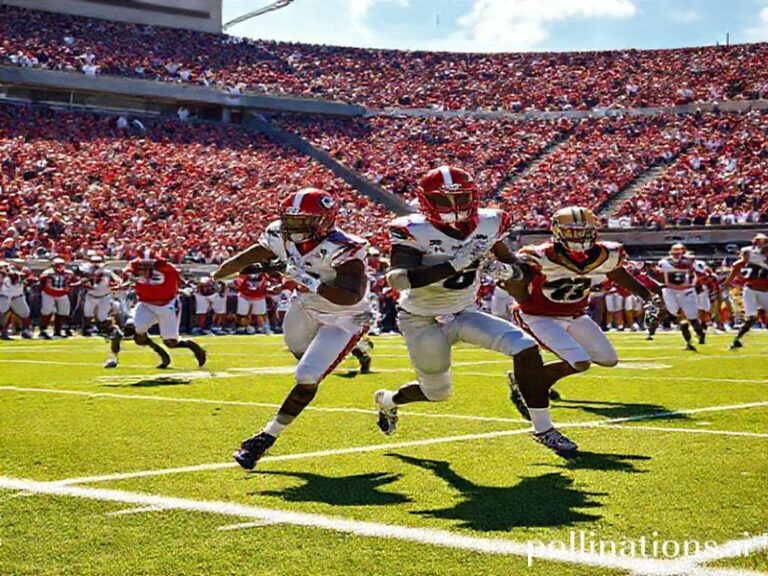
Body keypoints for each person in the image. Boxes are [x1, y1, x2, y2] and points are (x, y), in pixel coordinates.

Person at [374, 166, 575, 454]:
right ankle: (389, 400)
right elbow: (399, 279)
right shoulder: (413, 229)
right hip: (421, 319)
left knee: (526, 348)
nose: (455, 208)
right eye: (445, 201)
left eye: (462, 198)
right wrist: (453, 265)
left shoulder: (490, 223)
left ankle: (543, 428)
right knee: (437, 393)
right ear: (426, 202)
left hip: (463, 312)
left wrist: (508, 270)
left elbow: (518, 269)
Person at [214, 188, 371, 470]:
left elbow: (351, 296)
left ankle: (264, 438)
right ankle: (346, 351)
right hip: (305, 307)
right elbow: (244, 259)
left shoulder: (344, 246)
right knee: (301, 355)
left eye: (302, 222)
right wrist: (217, 275)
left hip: (345, 316)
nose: (294, 228)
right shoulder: (278, 234)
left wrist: (304, 278)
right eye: (291, 220)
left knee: (307, 376)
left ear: (324, 221)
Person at [504, 207, 661, 407]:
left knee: (607, 359)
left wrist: (646, 295)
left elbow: (616, 273)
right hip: (538, 315)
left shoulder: (608, 254)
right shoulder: (540, 255)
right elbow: (516, 281)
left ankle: (530, 379)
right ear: (557, 231)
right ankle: (529, 385)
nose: (579, 237)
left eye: (584, 231)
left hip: (575, 314)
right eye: (572, 231)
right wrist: (520, 294)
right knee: (579, 362)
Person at [109, 258, 206, 369]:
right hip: (146, 304)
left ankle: (195, 348)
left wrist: (185, 286)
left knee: (171, 342)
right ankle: (160, 352)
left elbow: (178, 278)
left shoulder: (166, 270)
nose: (144, 270)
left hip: (167, 305)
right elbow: (128, 273)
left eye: (147, 267)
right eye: (141, 267)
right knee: (135, 333)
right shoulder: (135, 268)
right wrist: (122, 282)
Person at [653, 243, 707, 350]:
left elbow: (703, 274)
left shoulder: (692, 262)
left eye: (680, 250)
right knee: (676, 315)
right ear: (671, 251)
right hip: (670, 291)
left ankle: (700, 334)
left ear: (684, 251)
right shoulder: (663, 262)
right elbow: (655, 274)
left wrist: (693, 278)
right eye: (675, 250)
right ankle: (688, 342)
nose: (677, 252)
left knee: (692, 318)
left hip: (687, 291)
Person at [726, 234, 768, 349]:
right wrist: (729, 281)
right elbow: (738, 265)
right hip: (751, 289)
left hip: (765, 291)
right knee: (751, 318)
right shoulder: (749, 253)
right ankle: (737, 339)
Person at [38, 257, 79, 339]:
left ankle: (58, 331)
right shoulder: (47, 273)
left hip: (62, 294)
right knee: (46, 311)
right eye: (57, 265)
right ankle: (43, 330)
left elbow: (76, 281)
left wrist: (72, 286)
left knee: (63, 312)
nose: (59, 267)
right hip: (48, 294)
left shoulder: (69, 273)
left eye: (61, 265)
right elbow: (41, 282)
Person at [80, 255, 121, 336]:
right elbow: (88, 279)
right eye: (94, 262)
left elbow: (117, 280)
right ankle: (85, 329)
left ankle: (108, 330)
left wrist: (115, 285)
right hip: (91, 295)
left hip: (104, 296)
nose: (96, 264)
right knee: (88, 314)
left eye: (98, 262)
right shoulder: (86, 271)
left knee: (102, 315)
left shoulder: (108, 272)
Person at [0, 261, 33, 340]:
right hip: (3, 296)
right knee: (2, 313)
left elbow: (28, 277)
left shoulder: (18, 273)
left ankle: (25, 331)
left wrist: (25, 280)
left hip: (17, 296)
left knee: (24, 313)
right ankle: (3, 331)